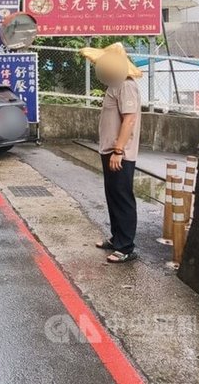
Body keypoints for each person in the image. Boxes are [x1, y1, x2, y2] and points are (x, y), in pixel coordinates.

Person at [80, 43, 142, 264]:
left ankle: (126, 247)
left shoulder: (126, 85)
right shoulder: (115, 84)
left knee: (122, 197)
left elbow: (130, 119)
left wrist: (119, 150)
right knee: (113, 195)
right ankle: (117, 239)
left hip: (120, 153)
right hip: (109, 150)